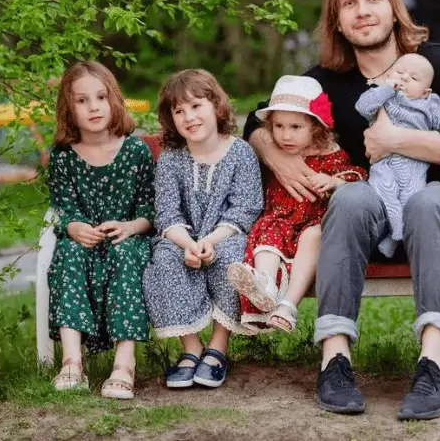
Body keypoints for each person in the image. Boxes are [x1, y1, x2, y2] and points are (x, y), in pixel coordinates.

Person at [243, 0, 440, 420]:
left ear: (394, 7)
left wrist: (399, 141)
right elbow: (257, 119)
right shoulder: (324, 81)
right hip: (370, 201)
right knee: (350, 198)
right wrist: (275, 153)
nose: (363, 11)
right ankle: (334, 359)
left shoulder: (438, 61)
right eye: (350, 3)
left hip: (437, 197)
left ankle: (434, 363)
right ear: (337, 20)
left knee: (428, 201)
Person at [142, 69, 263, 390]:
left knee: (232, 258)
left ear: (216, 107)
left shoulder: (240, 153)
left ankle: (218, 347)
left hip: (226, 234)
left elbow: (246, 208)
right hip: (181, 236)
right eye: (179, 111)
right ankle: (191, 347)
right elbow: (166, 212)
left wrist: (209, 241)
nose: (188, 117)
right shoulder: (171, 159)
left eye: (196, 106)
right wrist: (187, 244)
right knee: (165, 259)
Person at [47, 61, 154, 400]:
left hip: (128, 238)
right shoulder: (63, 156)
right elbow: (64, 206)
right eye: (82, 100)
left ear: (114, 101)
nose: (93, 107)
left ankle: (124, 364)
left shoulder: (135, 150)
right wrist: (74, 225)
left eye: (100, 97)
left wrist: (129, 226)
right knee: (68, 252)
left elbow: (149, 210)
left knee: (125, 255)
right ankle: (71, 362)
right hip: (85, 240)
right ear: (69, 109)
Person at [227, 75, 366, 334]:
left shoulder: (330, 155)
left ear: (316, 127)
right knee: (267, 231)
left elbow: (356, 179)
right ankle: (265, 287)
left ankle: (288, 306)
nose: (285, 135)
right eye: (278, 126)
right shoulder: (275, 156)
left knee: (313, 235)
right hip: (280, 221)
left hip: (313, 225)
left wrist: (333, 182)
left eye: (295, 127)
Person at [355, 52, 440, 256]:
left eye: (414, 78)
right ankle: (396, 232)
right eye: (399, 72)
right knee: (385, 193)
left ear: (425, 91)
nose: (404, 78)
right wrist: (385, 88)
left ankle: (398, 237)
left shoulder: (429, 103)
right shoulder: (383, 98)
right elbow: (362, 106)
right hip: (384, 164)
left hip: (414, 164)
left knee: (411, 198)